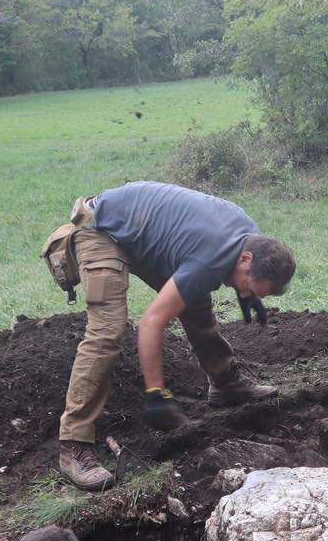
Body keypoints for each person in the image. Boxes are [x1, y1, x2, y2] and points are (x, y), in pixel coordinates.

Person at [50, 180, 297, 491]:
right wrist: (156, 393)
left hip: (140, 230)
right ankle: (73, 446)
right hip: (102, 229)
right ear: (245, 259)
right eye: (246, 285)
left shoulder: (250, 238)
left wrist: (247, 292)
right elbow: (152, 320)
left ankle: (226, 383)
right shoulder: (213, 257)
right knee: (107, 330)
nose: (244, 292)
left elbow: (222, 269)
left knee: (194, 298)